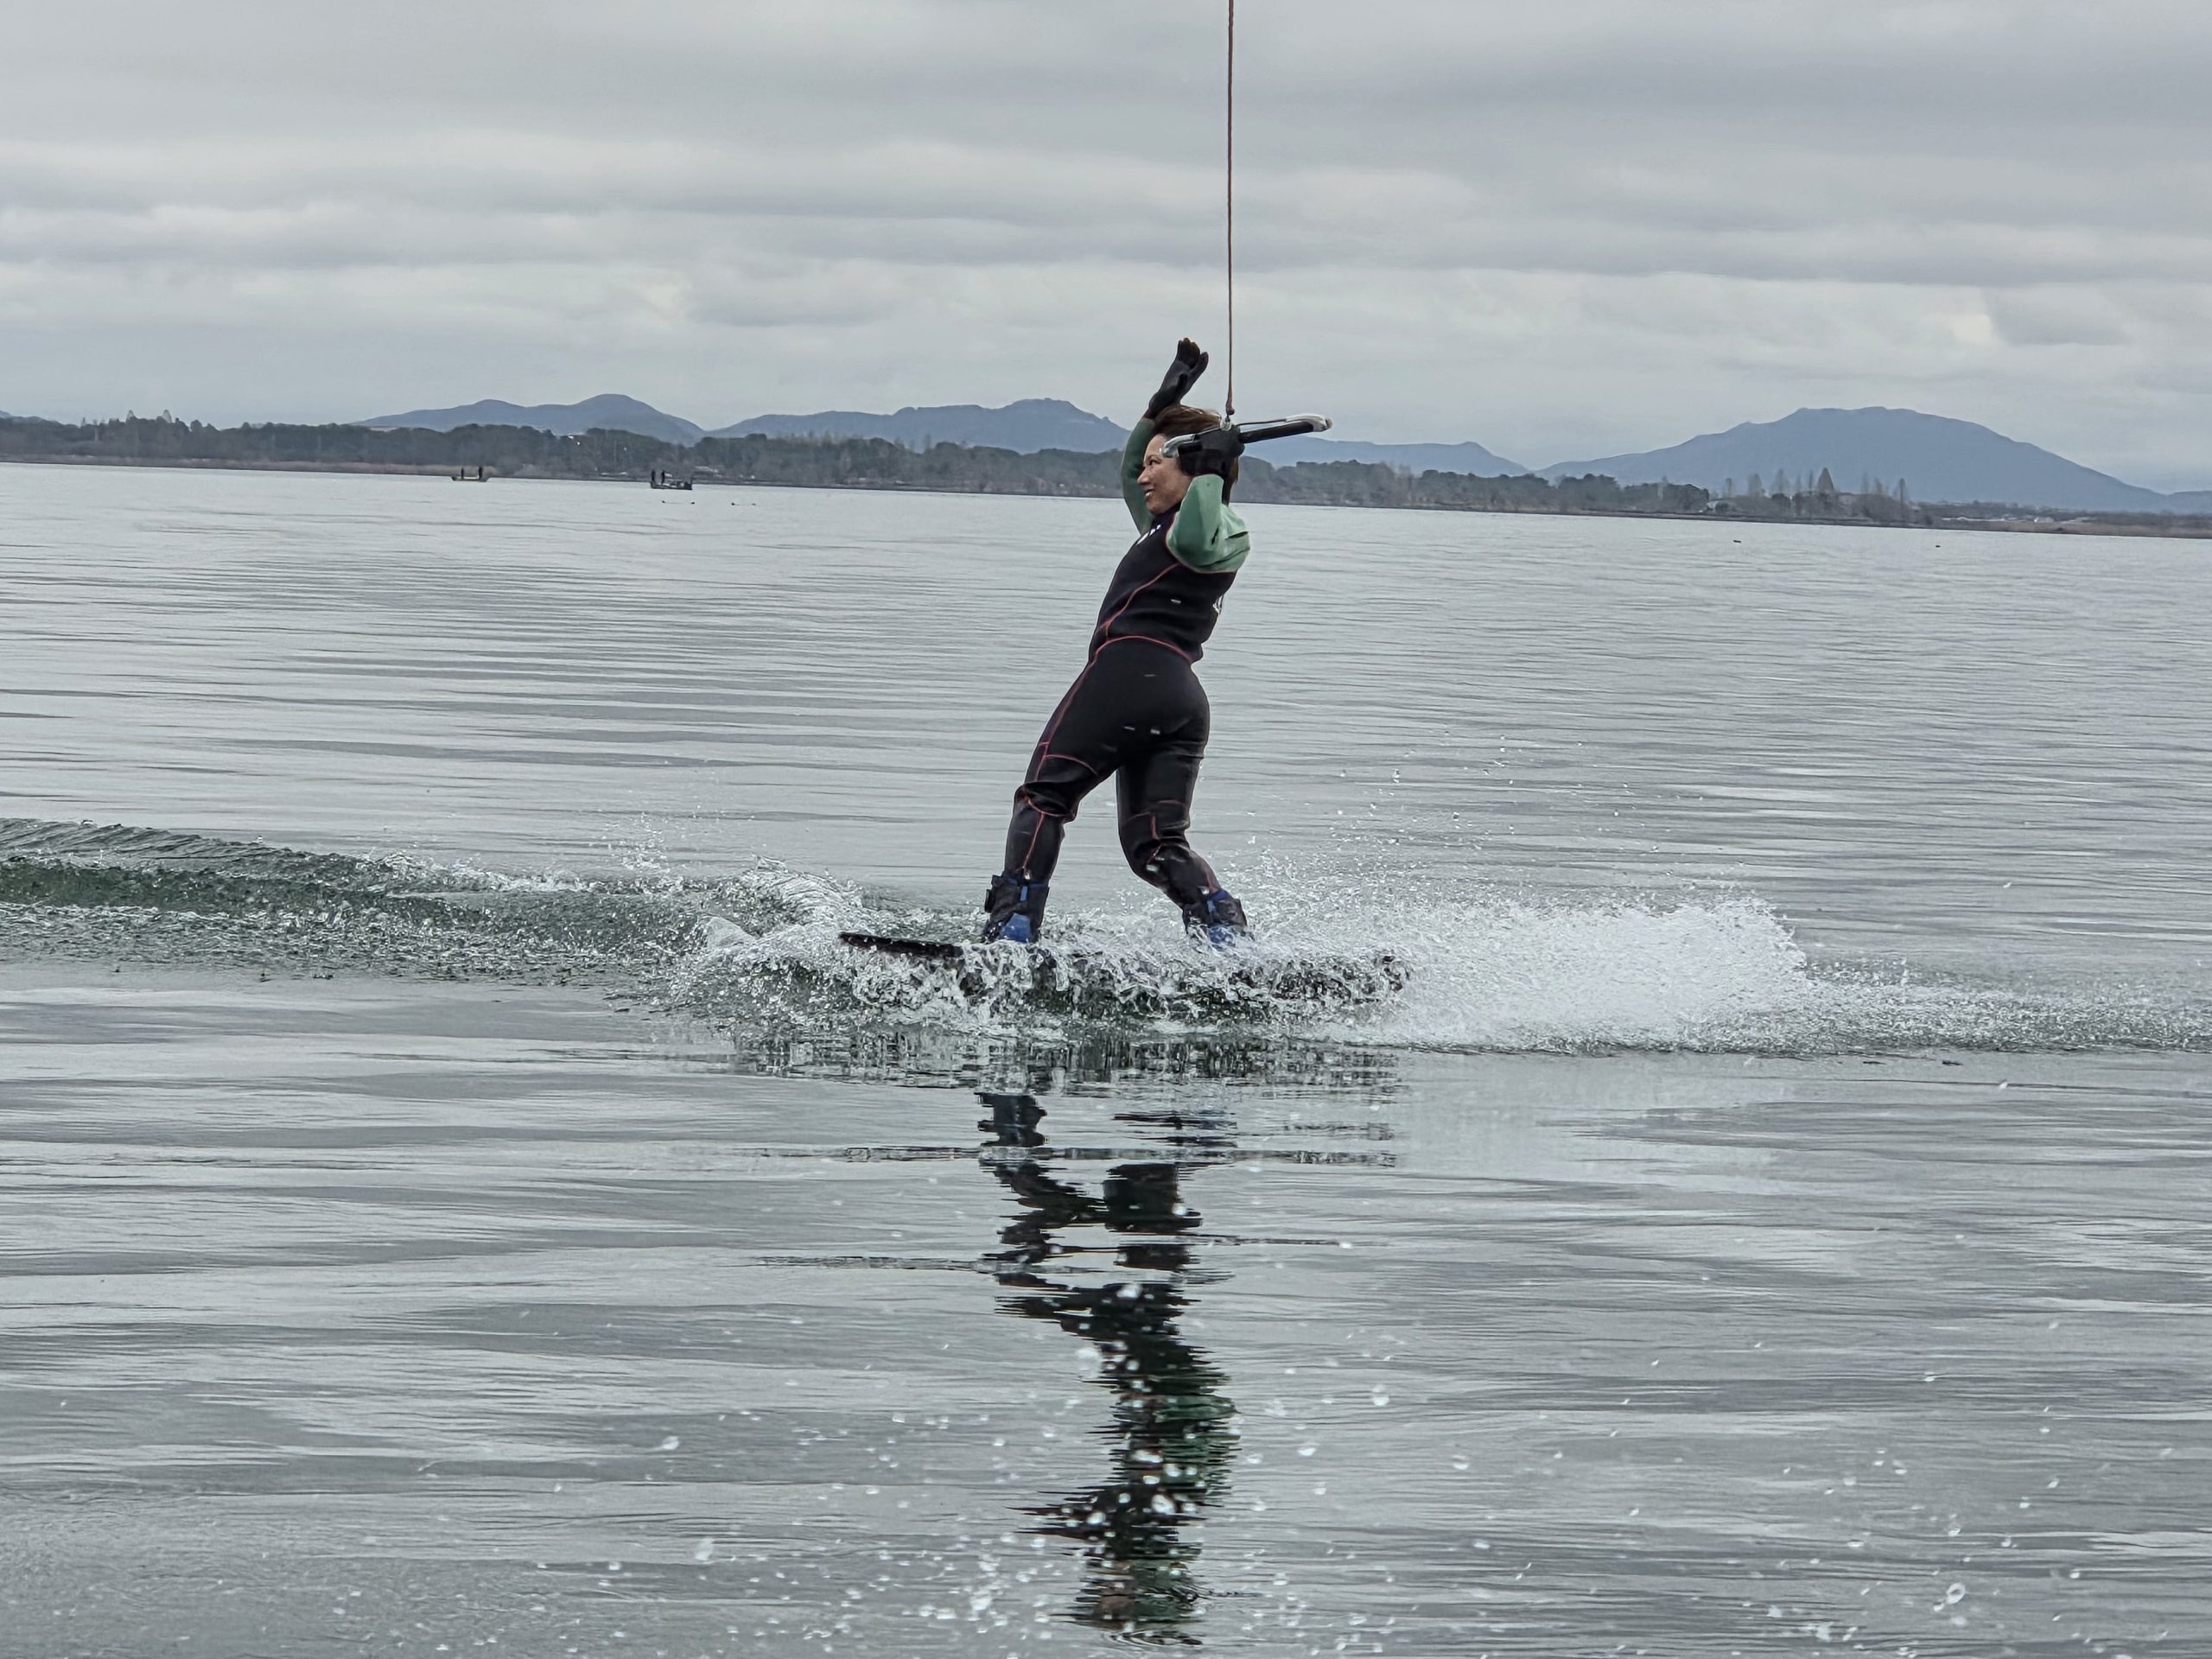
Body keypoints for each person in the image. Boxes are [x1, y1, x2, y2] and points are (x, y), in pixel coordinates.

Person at [982, 339, 1252, 945]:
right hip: (1178, 700)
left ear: (1192, 467)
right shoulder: (1161, 522)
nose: (1143, 474)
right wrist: (1161, 405)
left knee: (1043, 797)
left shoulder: (1212, 529)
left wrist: (1210, 467)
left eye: (1159, 463)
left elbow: (1197, 536)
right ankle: (1225, 937)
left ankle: (1011, 931)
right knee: (1154, 846)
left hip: (1129, 677)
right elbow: (1133, 470)